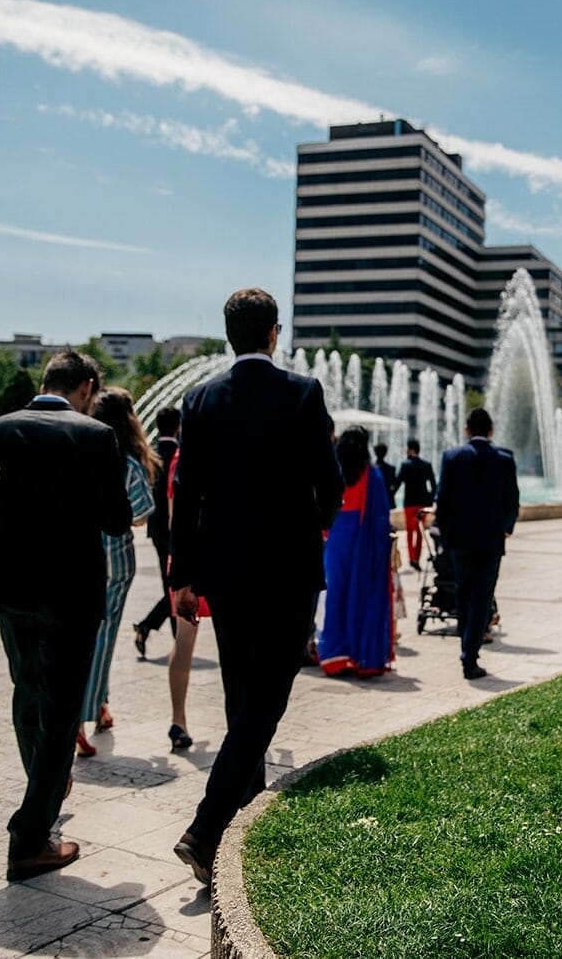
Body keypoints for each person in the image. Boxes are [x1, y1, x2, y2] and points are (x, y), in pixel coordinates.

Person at [167, 288, 344, 886]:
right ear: (275, 332)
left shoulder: (200, 399)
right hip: (289, 571)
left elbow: (185, 497)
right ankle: (208, 827)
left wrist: (183, 577)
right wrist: (312, 526)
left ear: (229, 336)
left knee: (242, 690)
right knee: (266, 697)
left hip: (226, 572)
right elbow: (331, 485)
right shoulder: (302, 393)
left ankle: (246, 812)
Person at [0, 351, 133, 883]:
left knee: (27, 693)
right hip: (71, 592)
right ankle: (32, 834)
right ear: (87, 386)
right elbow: (115, 522)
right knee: (63, 708)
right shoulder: (94, 436)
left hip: (12, 586)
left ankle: (41, 790)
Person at [75, 388, 158, 758]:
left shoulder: (81, 450)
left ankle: (99, 705)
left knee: (82, 634)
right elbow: (141, 511)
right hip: (114, 560)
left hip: (81, 555)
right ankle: (79, 717)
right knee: (102, 638)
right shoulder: (126, 461)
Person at [434, 407, 520, 680]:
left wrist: (446, 538)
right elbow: (512, 501)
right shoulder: (505, 459)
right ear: (491, 431)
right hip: (490, 541)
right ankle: (469, 656)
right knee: (482, 597)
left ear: (467, 430)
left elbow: (442, 501)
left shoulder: (452, 457)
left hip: (459, 541)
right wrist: (506, 528)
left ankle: (466, 649)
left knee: (463, 593)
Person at [319, 428, 394, 677]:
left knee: (336, 595)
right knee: (361, 596)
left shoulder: (332, 471)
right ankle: (362, 656)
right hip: (363, 543)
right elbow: (382, 516)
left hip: (337, 538)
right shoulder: (371, 475)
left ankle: (334, 655)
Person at [164, 440, 206, 753]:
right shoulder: (191, 456)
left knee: (184, 640)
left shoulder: (183, 457)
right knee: (185, 640)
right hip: (198, 562)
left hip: (188, 560)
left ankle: (179, 720)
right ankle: (178, 718)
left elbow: (173, 518)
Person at [132, 406, 180, 659]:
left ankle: (149, 627)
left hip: (156, 530)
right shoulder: (177, 455)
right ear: (178, 426)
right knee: (176, 585)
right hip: (174, 531)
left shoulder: (150, 455)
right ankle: (171, 637)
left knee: (170, 584)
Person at [397, 439, 436, 571]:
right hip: (422, 503)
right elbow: (433, 485)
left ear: (411, 449)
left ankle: (411, 558)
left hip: (409, 502)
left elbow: (398, 482)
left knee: (409, 532)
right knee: (420, 531)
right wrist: (430, 499)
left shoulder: (405, 465)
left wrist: (389, 494)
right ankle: (417, 558)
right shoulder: (426, 465)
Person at [373, 442, 398, 509]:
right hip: (388, 500)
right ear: (386, 453)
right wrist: (390, 493)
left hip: (374, 500)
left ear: (375, 453)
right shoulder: (391, 469)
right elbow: (395, 484)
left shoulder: (370, 470)